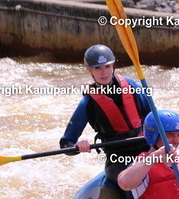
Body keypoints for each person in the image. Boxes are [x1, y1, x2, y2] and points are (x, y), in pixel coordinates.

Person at [59, 44, 150, 184]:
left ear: (113, 66)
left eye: (107, 66)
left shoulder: (131, 85)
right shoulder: (88, 103)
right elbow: (66, 144)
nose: (104, 72)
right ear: (89, 69)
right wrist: (78, 146)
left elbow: (154, 118)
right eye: (97, 68)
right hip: (118, 158)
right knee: (134, 181)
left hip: (146, 148)